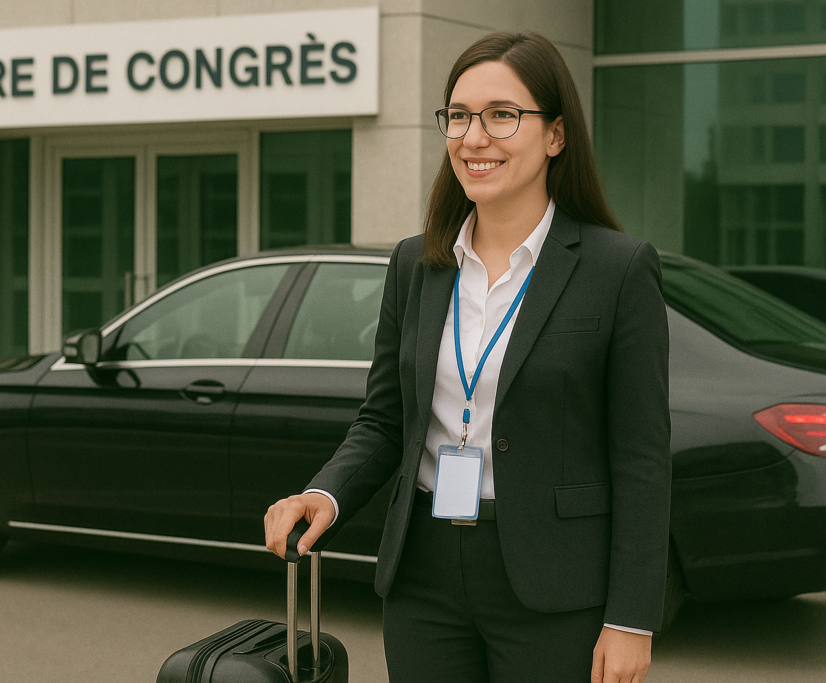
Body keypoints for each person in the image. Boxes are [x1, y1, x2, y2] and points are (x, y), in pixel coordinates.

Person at [264, 31, 670, 683]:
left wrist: (630, 619)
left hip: (556, 587)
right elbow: (385, 420)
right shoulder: (415, 264)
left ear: (556, 134)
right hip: (423, 575)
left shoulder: (616, 271)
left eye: (502, 115)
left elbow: (642, 460)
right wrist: (325, 494)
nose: (474, 136)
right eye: (458, 115)